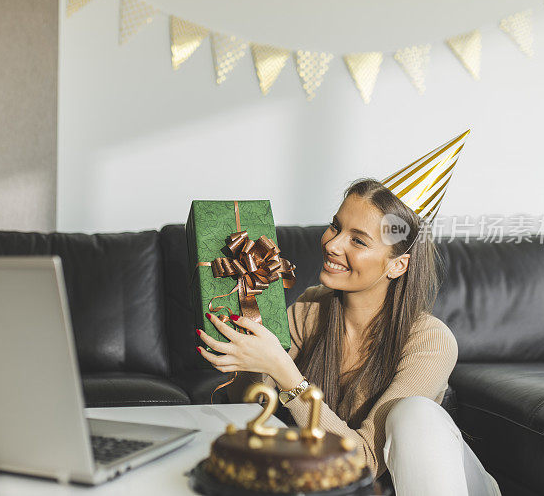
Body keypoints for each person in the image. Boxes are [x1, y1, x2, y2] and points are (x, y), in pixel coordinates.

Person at [196, 133, 502, 496]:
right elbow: (252, 404)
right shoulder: (312, 309)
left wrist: (285, 372)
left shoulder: (430, 340)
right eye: (336, 226)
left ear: (397, 265)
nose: (332, 244)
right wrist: (250, 340)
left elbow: (365, 461)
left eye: (358, 240)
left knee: (414, 413)